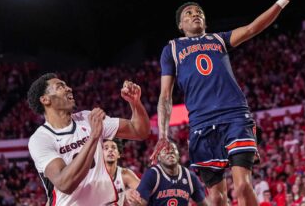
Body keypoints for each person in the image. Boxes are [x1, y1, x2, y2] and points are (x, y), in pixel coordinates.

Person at [151, 0, 300, 205]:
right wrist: (163, 133)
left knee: (242, 187)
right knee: (217, 198)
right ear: (181, 24)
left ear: (206, 21)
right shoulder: (171, 49)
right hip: (200, 124)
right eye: (189, 13)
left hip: (234, 116)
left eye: (199, 12)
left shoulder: (218, 39)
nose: (195, 14)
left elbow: (252, 28)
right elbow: (165, 96)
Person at [27, 73, 150, 206]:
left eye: (66, 85)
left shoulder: (87, 118)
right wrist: (93, 138)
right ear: (45, 100)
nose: (69, 88)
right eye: (60, 86)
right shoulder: (40, 139)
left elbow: (139, 131)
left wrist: (135, 103)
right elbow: (65, 184)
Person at [126, 142, 208, 206]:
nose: (169, 152)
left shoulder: (190, 177)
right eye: (165, 150)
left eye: (173, 149)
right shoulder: (152, 174)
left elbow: (204, 204)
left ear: (178, 155)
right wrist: (132, 199)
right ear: (158, 157)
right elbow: (140, 203)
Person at [103, 138, 141, 205]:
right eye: (106, 148)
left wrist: (131, 193)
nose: (110, 150)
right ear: (100, 154)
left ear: (119, 154)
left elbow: (145, 193)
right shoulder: (93, 175)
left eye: (113, 148)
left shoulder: (125, 174)